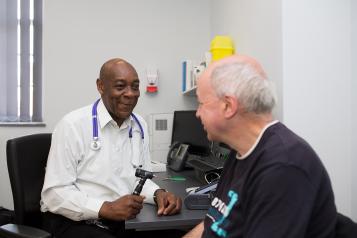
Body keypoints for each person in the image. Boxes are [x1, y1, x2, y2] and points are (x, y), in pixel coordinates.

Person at [183, 55, 337, 238]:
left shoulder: (283, 166)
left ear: (228, 105)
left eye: (201, 103)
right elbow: (215, 221)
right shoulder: (240, 151)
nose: (197, 113)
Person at [41, 58, 182, 238]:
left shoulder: (140, 126)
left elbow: (140, 179)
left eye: (135, 86)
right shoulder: (72, 125)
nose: (130, 94)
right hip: (73, 221)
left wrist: (158, 194)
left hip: (120, 221)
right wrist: (105, 208)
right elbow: (54, 194)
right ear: (101, 86)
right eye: (120, 86)